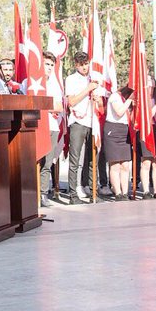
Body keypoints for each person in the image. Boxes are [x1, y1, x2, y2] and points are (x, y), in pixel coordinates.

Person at [64, 51, 97, 203]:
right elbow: (71, 101)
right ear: (76, 65)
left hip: (92, 121)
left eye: (86, 64)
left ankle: (92, 192)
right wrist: (87, 89)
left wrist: (96, 96)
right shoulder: (71, 79)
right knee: (75, 159)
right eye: (81, 65)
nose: (85, 67)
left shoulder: (94, 78)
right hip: (78, 122)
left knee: (92, 159)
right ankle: (73, 194)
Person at [39, 52, 65, 203]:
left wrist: (44, 106)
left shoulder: (54, 84)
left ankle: (43, 193)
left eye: (51, 65)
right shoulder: (30, 82)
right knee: (35, 161)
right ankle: (32, 192)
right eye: (46, 64)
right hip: (36, 125)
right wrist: (48, 106)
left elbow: (59, 107)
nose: (48, 67)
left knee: (48, 162)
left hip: (52, 127)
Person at [103, 86, 133, 200]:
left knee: (125, 164)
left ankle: (125, 192)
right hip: (113, 129)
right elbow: (119, 112)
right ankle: (118, 193)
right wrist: (130, 99)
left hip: (124, 130)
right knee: (115, 164)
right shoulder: (115, 96)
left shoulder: (126, 100)